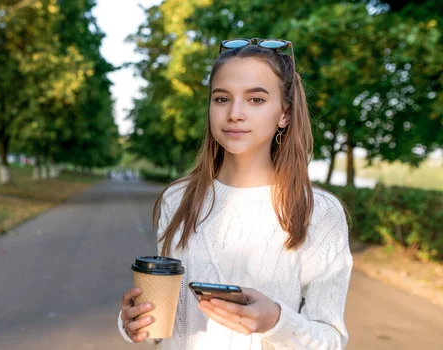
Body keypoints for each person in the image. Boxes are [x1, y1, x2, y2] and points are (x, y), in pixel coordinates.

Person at [117, 38, 354, 349]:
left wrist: (277, 322)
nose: (235, 113)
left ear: (284, 114)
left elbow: (332, 339)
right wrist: (133, 322)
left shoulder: (318, 212)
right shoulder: (177, 199)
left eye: (256, 99)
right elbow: (166, 328)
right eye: (221, 98)